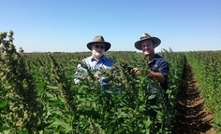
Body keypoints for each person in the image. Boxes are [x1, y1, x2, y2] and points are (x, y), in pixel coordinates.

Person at [131, 33, 169, 102]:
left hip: (160, 102)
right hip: (145, 100)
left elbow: (162, 79)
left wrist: (145, 71)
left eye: (148, 45)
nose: (146, 48)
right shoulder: (141, 63)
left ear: (154, 46)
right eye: (143, 46)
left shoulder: (161, 61)